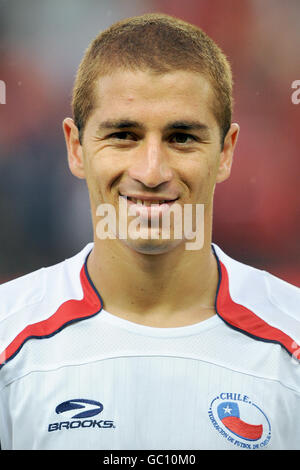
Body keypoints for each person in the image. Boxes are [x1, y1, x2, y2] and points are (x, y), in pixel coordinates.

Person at [0, 13, 299, 451]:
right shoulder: (8, 338)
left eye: (182, 138)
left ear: (226, 152)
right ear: (75, 148)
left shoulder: (291, 341)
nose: (152, 171)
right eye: (124, 135)